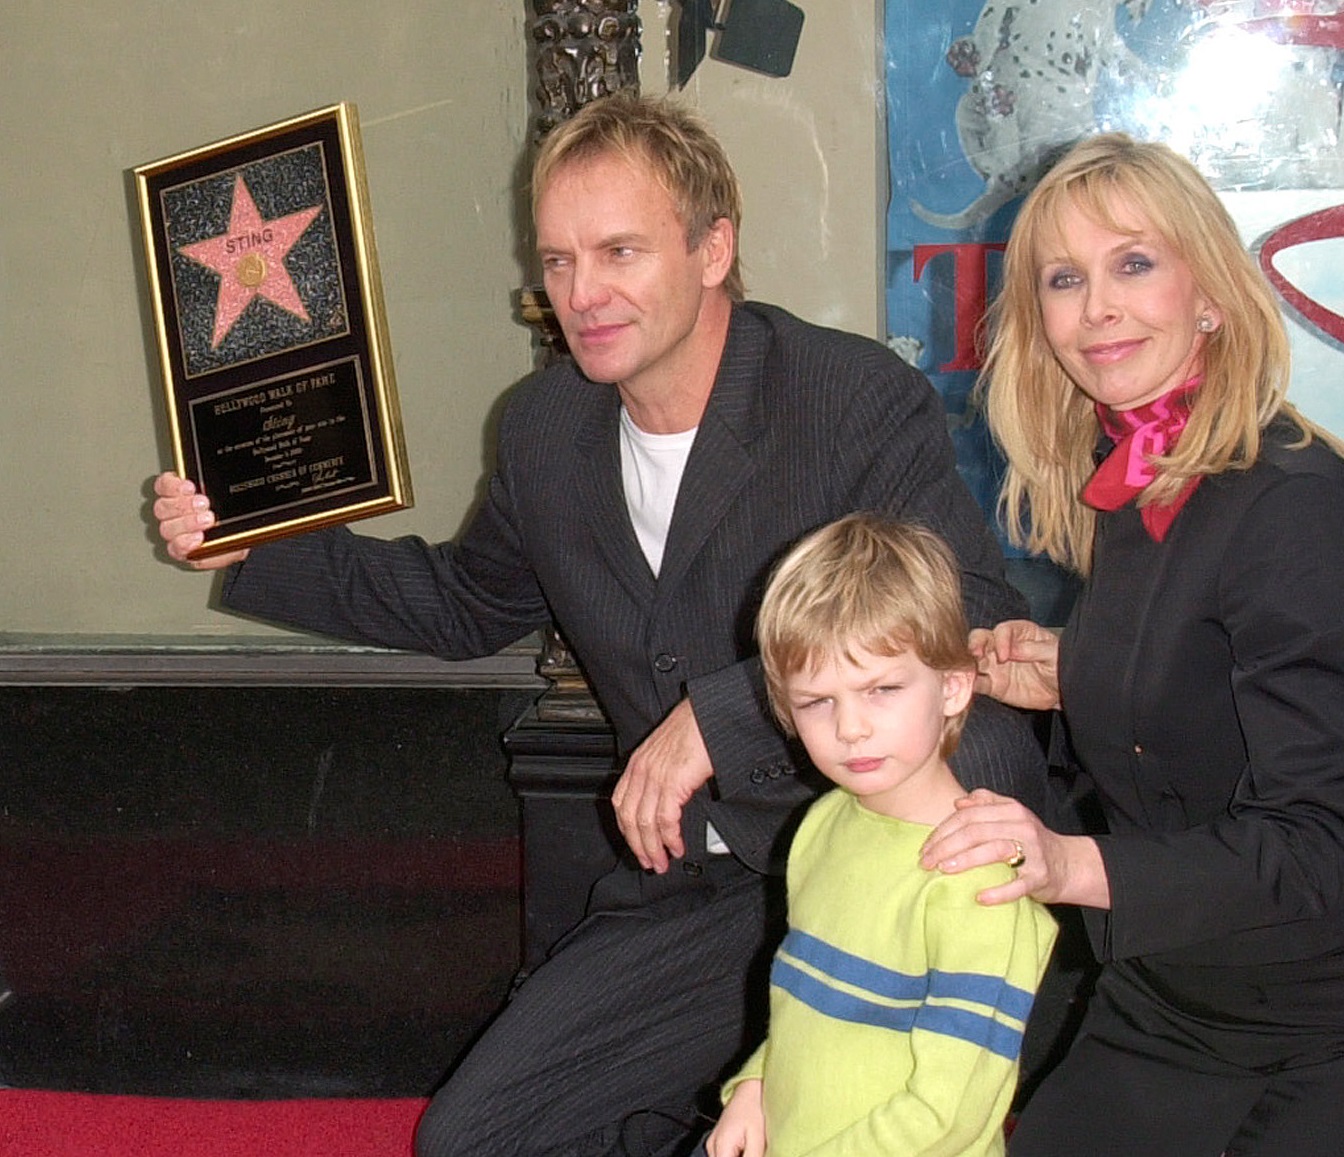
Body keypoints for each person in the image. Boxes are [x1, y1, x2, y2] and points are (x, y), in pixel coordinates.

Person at [150, 92, 1046, 1157]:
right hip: (703, 886)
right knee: (474, 1139)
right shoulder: (544, 426)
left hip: (885, 864)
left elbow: (969, 622)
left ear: (715, 247)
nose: (583, 293)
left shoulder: (849, 397)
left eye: (619, 250)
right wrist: (254, 545)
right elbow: (465, 600)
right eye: (559, 260)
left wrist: (725, 714)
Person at [918, 133, 1344, 1157]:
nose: (1099, 307)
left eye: (1134, 264)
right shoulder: (1134, 472)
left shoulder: (1295, 507)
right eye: (1064, 278)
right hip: (1170, 1000)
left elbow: (1312, 841)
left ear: (1209, 292)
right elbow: (1197, 676)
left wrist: (1065, 863)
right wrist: (1073, 672)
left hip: (1342, 1024)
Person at [700, 513, 1057, 1157]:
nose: (852, 728)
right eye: (817, 701)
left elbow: (948, 1115)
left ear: (953, 686)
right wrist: (754, 1087)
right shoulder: (824, 824)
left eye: (881, 689)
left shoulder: (976, 881)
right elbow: (802, 1014)